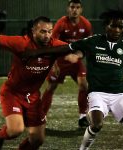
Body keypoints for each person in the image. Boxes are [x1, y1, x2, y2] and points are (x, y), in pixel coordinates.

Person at [24, 9, 123, 149]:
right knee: (96, 125)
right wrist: (37, 52)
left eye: (120, 27)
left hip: (120, 94)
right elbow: (65, 48)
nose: (117, 30)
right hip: (97, 94)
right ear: (106, 26)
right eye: (113, 26)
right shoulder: (93, 41)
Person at [0, 16, 81, 150]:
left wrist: (75, 55)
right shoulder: (21, 43)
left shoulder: (54, 45)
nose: (47, 35)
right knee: (15, 130)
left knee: (37, 140)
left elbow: (77, 47)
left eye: (50, 31)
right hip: (12, 93)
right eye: (43, 31)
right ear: (33, 31)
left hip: (33, 97)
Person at [42, 0, 93, 128]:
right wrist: (53, 64)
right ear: (68, 9)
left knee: (84, 85)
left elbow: (87, 47)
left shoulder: (86, 25)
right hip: (60, 61)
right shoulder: (61, 23)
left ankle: (82, 117)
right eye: (72, 7)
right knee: (51, 87)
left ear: (81, 10)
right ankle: (41, 116)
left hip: (75, 61)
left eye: (77, 7)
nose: (74, 10)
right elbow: (52, 44)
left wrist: (76, 55)